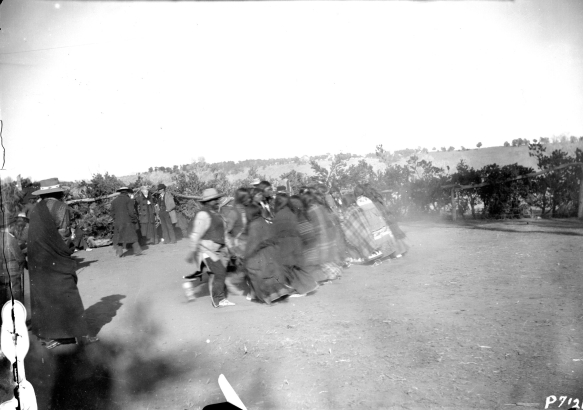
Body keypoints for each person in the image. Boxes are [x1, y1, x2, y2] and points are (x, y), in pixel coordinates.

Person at [27, 178, 97, 349]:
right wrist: (66, 253)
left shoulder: (36, 209)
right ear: (59, 192)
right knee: (69, 293)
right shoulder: (61, 207)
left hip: (38, 259)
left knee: (46, 296)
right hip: (56, 257)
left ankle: (52, 336)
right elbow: (64, 234)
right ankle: (81, 334)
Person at [187, 188, 235, 308]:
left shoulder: (215, 213)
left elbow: (223, 232)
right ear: (207, 202)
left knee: (217, 272)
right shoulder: (203, 214)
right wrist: (192, 251)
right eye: (214, 200)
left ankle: (215, 295)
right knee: (219, 272)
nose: (217, 201)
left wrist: (229, 247)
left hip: (217, 249)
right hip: (206, 249)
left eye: (217, 199)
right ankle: (218, 300)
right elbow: (196, 234)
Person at [243, 204, 291, 304]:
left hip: (261, 253)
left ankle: (262, 295)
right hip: (272, 251)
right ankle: (278, 293)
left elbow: (253, 245)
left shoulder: (253, 225)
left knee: (251, 268)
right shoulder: (263, 221)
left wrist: (245, 257)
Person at [272, 194, 318, 297]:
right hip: (294, 241)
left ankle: (304, 287)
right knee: (294, 266)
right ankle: (309, 284)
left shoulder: (279, 214)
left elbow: (276, 231)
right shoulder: (290, 212)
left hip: (286, 242)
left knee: (287, 266)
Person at [300, 189, 342, 284]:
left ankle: (325, 276)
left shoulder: (310, 211)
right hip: (330, 240)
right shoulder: (321, 207)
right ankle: (332, 271)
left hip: (321, 242)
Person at [354, 185, 397, 259]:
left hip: (370, 222)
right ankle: (390, 252)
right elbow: (375, 210)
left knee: (376, 237)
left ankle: (382, 255)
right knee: (383, 234)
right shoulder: (367, 199)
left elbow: (361, 214)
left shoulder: (357, 202)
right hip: (377, 219)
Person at [340, 192, 380, 262]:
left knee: (348, 237)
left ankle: (363, 255)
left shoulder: (348, 212)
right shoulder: (359, 208)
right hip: (368, 232)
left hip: (359, 235)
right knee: (363, 236)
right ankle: (373, 252)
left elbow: (346, 227)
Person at [0, 215, 26, 314]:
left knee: (4, 295)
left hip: (2, 271)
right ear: (10, 226)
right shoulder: (10, 238)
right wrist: (24, 263)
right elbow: (18, 256)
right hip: (13, 270)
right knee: (16, 293)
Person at [111, 187, 142, 257]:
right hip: (127, 221)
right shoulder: (129, 200)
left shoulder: (114, 201)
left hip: (118, 222)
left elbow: (112, 213)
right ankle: (137, 251)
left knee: (120, 237)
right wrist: (134, 219)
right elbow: (131, 212)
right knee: (133, 236)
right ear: (127, 192)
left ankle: (119, 252)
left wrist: (116, 219)